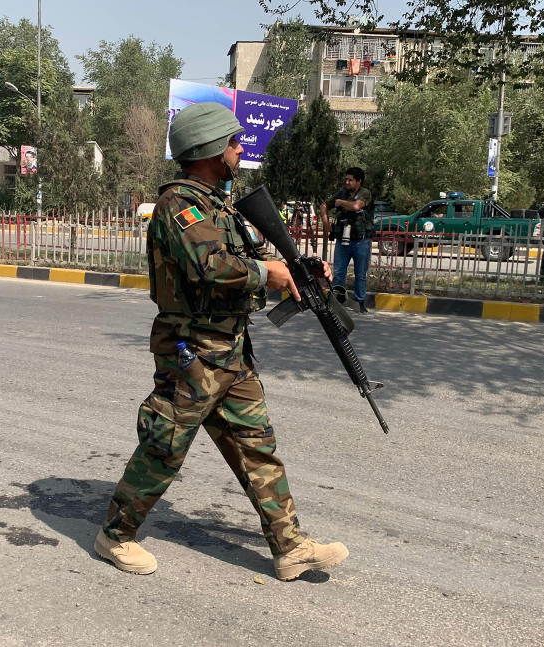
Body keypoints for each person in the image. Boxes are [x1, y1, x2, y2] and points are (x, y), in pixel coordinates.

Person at [95, 102, 348, 582]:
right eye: (233, 143)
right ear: (210, 149)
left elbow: (248, 257)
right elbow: (210, 266)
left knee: (257, 446)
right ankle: (116, 533)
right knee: (164, 446)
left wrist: (296, 269)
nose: (239, 150)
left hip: (229, 349)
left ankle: (289, 546)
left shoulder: (217, 205)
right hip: (190, 352)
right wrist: (264, 273)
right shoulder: (179, 206)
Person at [321, 167, 373, 313]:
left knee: (360, 274)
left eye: (351, 180)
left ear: (359, 181)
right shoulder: (342, 193)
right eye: (346, 179)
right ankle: (337, 301)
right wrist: (325, 222)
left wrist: (340, 202)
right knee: (338, 272)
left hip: (361, 241)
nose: (347, 182)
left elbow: (356, 206)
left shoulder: (364, 193)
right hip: (342, 240)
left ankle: (360, 302)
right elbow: (324, 205)